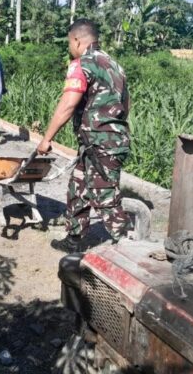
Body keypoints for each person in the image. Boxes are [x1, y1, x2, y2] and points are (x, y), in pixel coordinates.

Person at [37, 19, 131, 253]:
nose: (70, 47)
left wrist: (47, 138)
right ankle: (75, 238)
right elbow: (125, 104)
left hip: (101, 144)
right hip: (101, 142)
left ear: (77, 40)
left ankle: (130, 249)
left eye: (70, 42)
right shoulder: (115, 65)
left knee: (105, 196)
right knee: (78, 187)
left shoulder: (81, 64)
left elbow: (68, 105)